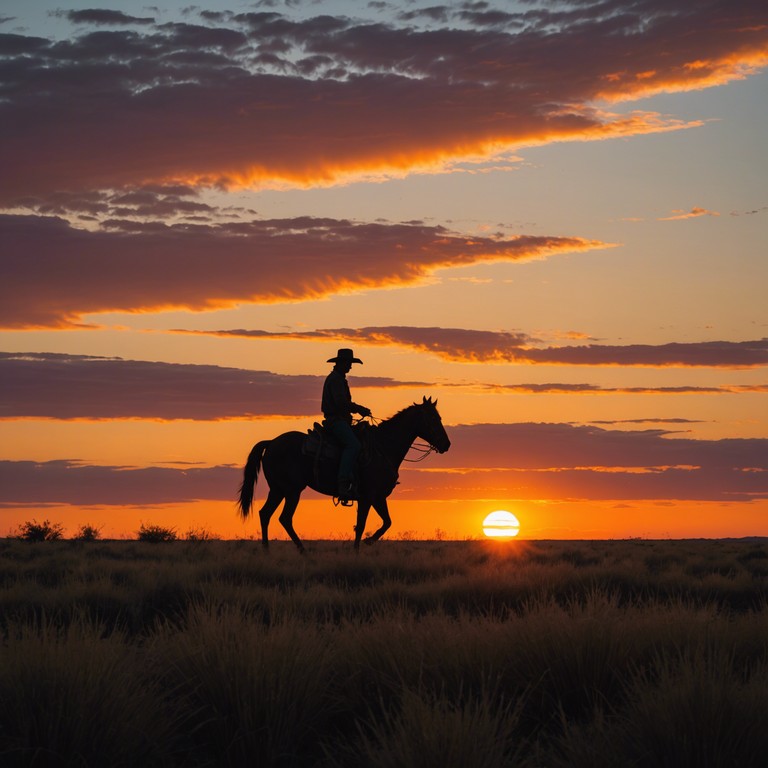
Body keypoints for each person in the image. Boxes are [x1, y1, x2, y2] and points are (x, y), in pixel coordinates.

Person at [322, 348, 372, 499]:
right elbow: (341, 403)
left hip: (341, 420)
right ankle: (343, 483)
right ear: (342, 363)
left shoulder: (339, 379)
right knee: (353, 445)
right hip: (335, 421)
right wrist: (359, 409)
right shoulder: (336, 380)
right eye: (349, 363)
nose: (350, 367)